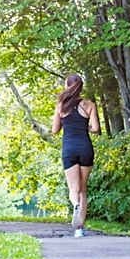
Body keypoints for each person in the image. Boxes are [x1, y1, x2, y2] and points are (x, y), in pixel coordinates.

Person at [51, 72, 101, 237]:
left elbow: (55, 130)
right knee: (83, 189)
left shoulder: (61, 106)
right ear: (80, 88)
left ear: (67, 87)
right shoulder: (89, 104)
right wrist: (83, 127)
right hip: (86, 148)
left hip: (69, 149)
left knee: (74, 188)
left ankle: (75, 206)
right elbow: (96, 129)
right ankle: (80, 229)